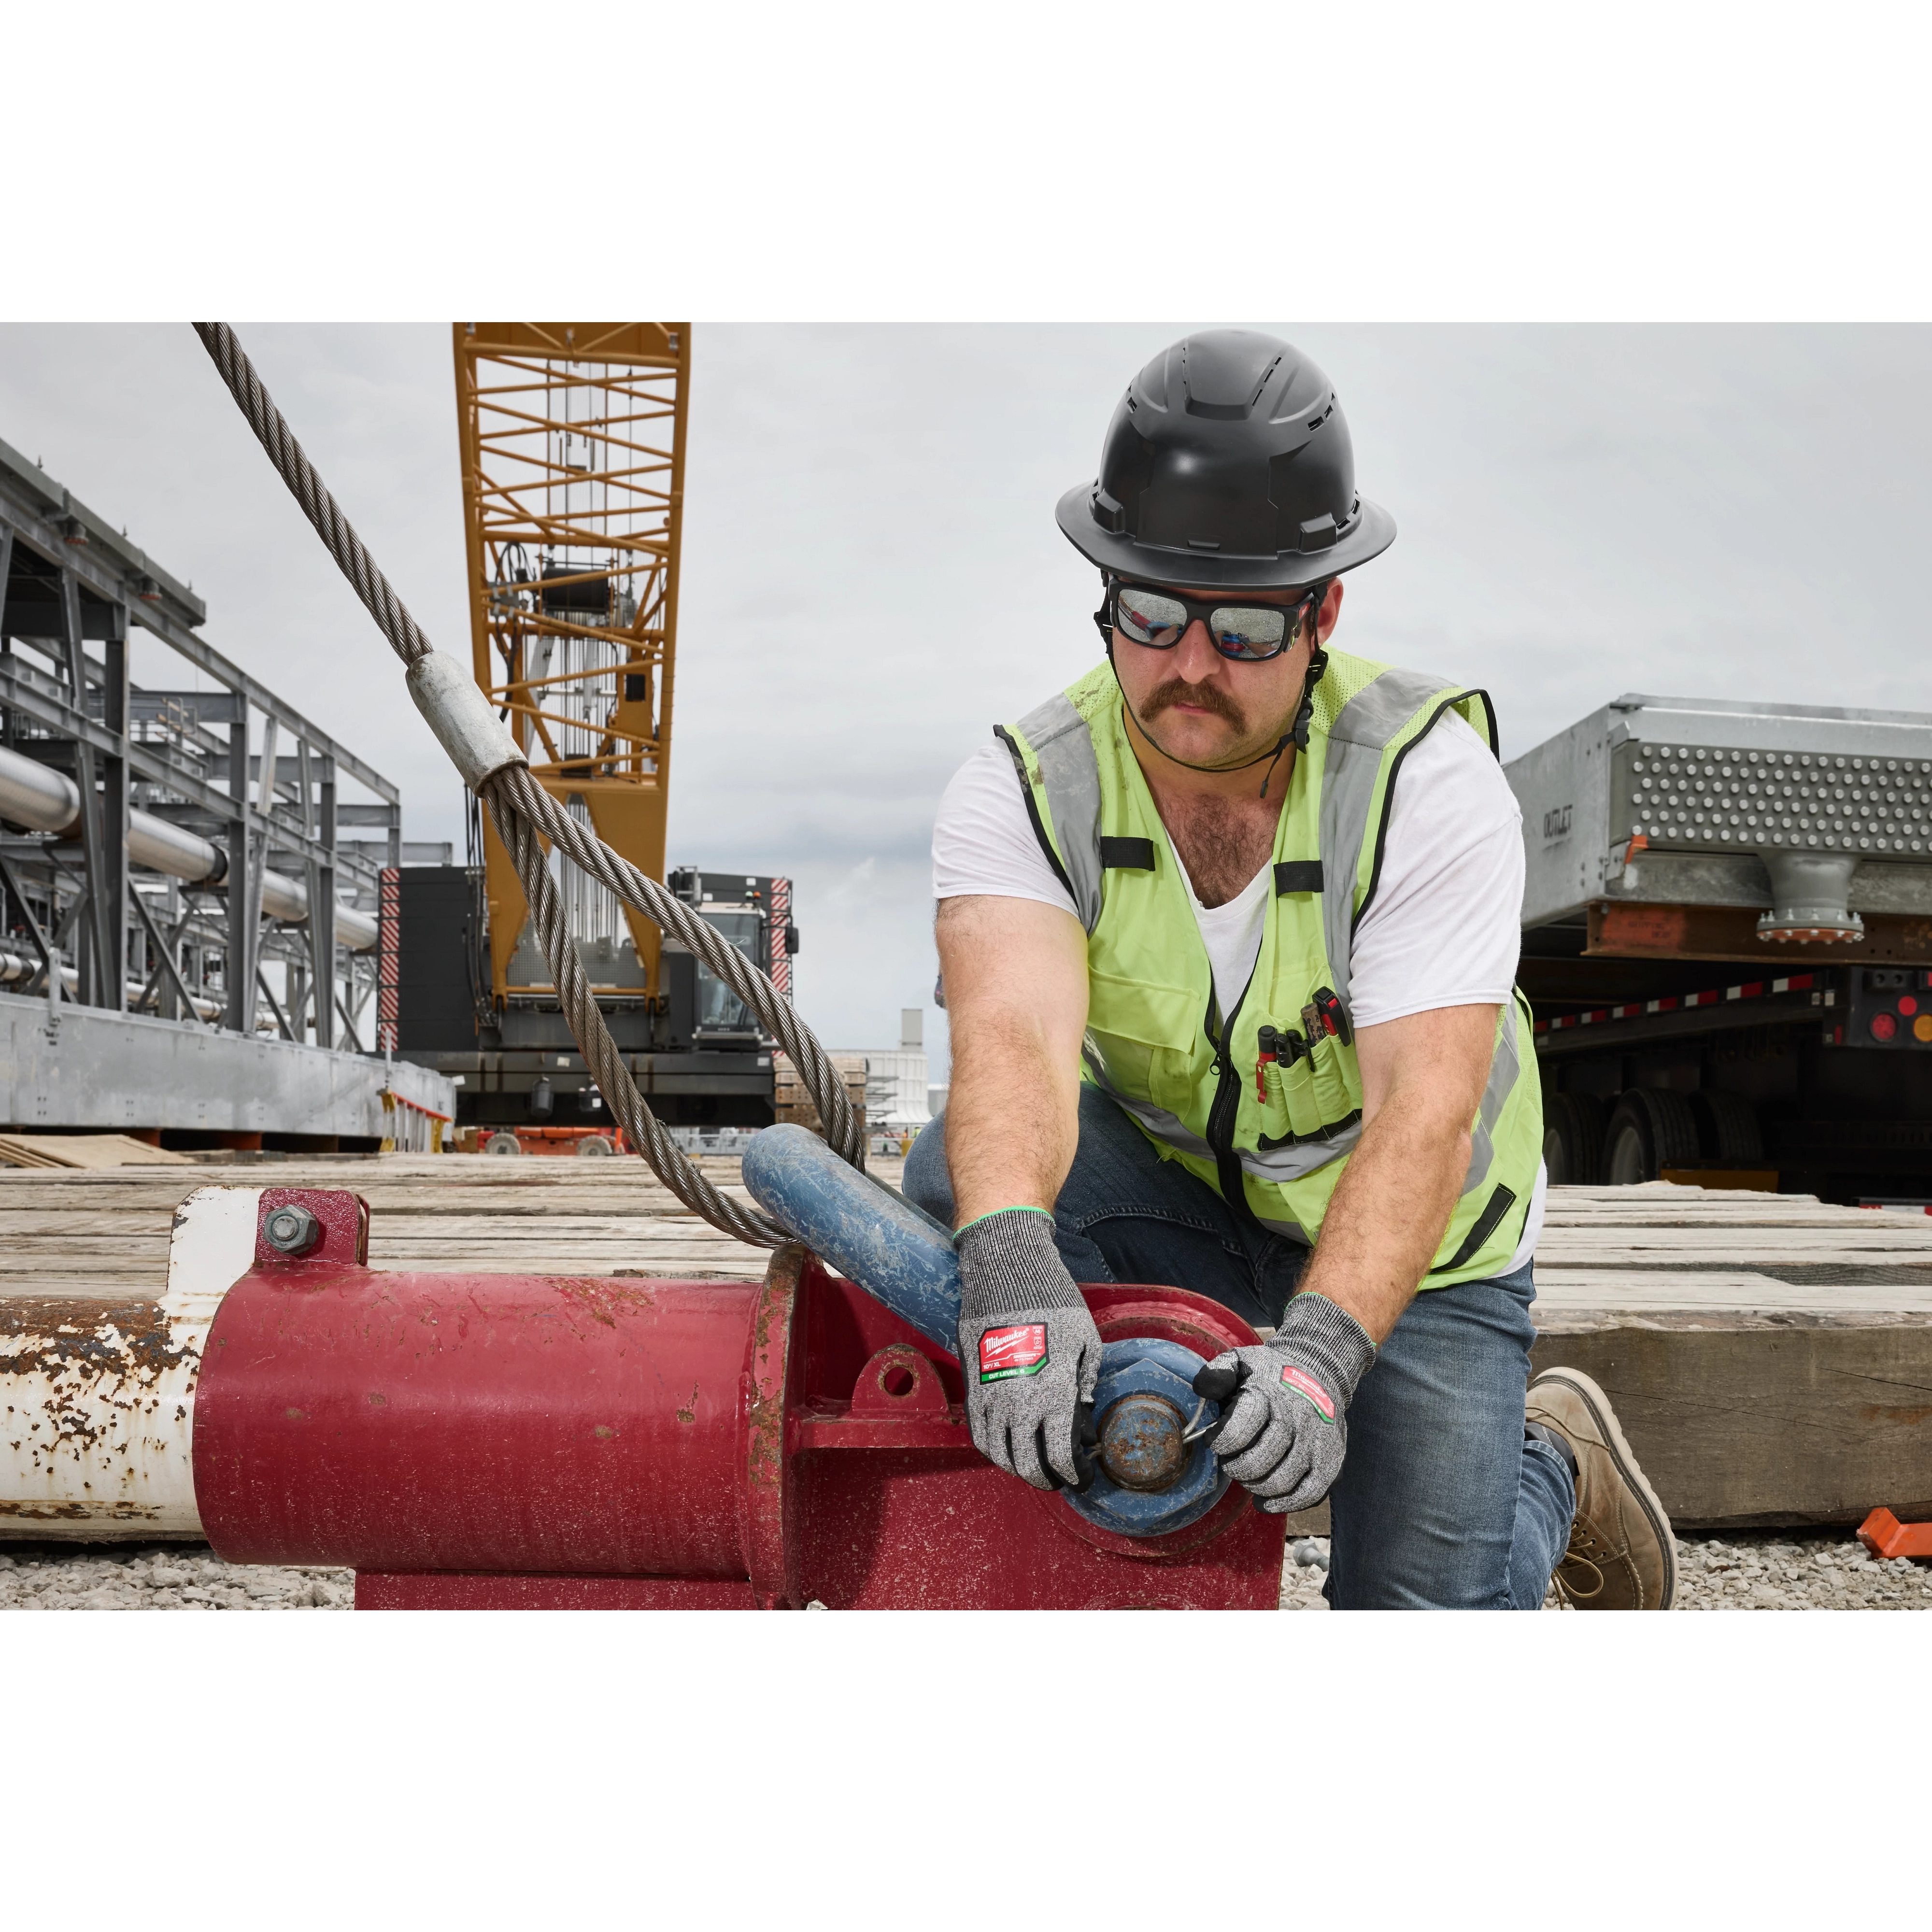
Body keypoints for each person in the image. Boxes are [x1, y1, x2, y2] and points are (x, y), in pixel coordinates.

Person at [906, 328, 1674, 1611]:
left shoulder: (1421, 783)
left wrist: (1318, 1359)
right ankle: (1153, 1457)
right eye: (1149, 613)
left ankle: (1550, 1466)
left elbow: (1426, 1118)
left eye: (1246, 626)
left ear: (1324, 613)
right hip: (1201, 1207)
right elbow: (1013, 1047)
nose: (1190, 665)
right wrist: (1016, 1280)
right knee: (964, 1181)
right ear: (1103, 593)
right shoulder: (1028, 787)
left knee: (1420, 1601)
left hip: (1422, 1246)